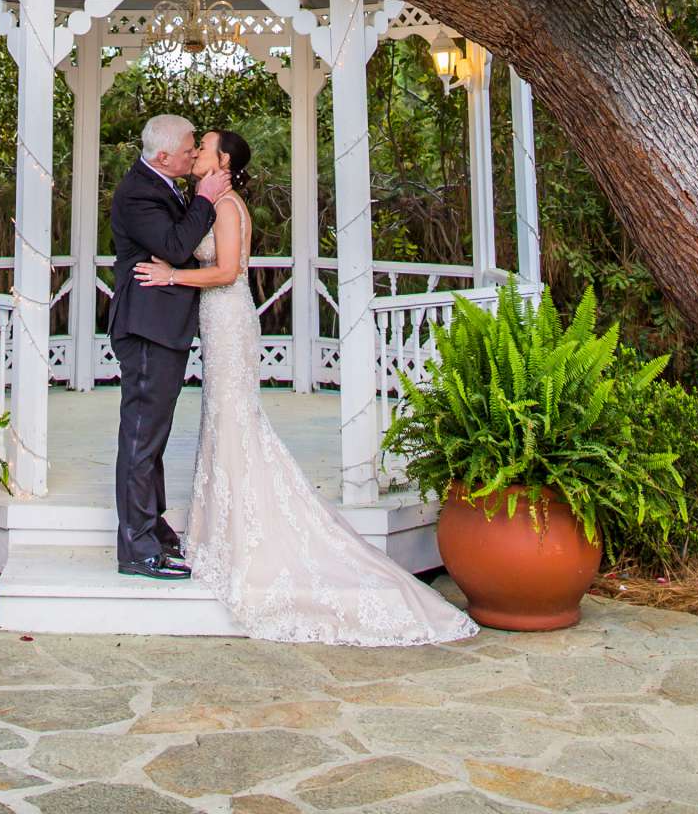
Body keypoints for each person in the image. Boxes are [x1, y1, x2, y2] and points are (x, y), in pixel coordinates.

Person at [134, 127, 478, 647]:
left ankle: (244, 534)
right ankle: (220, 528)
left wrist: (171, 278)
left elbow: (226, 272)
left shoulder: (226, 208)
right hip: (218, 320)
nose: (196, 152)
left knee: (233, 418)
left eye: (203, 146)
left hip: (227, 317)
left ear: (222, 159)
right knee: (223, 419)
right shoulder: (213, 202)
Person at [107, 111, 230, 578]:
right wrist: (205, 200)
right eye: (187, 149)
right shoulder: (138, 192)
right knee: (140, 439)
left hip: (164, 330)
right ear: (162, 156)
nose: (194, 153)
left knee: (152, 439)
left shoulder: (161, 185)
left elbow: (175, 245)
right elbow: (177, 247)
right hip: (146, 331)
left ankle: (152, 526)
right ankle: (136, 548)